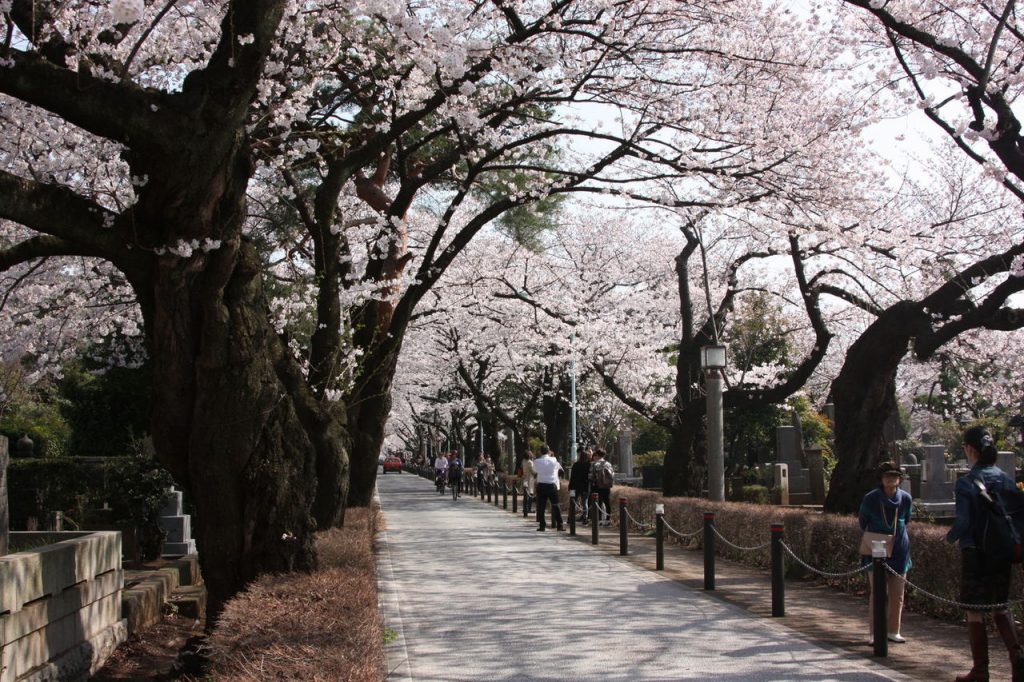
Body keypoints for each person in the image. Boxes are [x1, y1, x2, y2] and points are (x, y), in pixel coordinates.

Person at [947, 426, 1024, 682]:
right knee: (1000, 607)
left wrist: (949, 538)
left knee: (975, 610)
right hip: (1002, 551)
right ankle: (1017, 659)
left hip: (975, 552)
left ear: (970, 449)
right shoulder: (1005, 478)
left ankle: (980, 670)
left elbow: (963, 522)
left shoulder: (966, 483)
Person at [858, 460, 912, 645]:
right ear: (880, 479)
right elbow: (862, 521)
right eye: (887, 476)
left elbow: (908, 517)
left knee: (898, 594)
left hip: (900, 548)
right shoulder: (871, 498)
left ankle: (893, 630)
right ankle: (874, 632)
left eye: (895, 476)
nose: (891, 479)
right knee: (878, 592)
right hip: (877, 547)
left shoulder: (905, 498)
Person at [533, 445, 564, 531]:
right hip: (551, 484)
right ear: (548, 451)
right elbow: (560, 470)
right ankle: (560, 525)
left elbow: (535, 471)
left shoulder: (536, 461)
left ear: (540, 451)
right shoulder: (554, 460)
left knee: (541, 506)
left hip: (541, 484)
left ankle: (542, 525)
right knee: (555, 505)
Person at [590, 448, 615, 526]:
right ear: (604, 455)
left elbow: (591, 476)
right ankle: (608, 520)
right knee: (607, 502)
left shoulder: (594, 464)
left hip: (597, 486)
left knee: (598, 502)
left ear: (597, 455)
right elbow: (612, 474)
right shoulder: (608, 464)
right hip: (607, 486)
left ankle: (599, 519)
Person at [569, 447, 592, 523]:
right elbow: (590, 477)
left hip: (575, 486)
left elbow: (572, 477)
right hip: (585, 486)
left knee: (573, 501)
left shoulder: (576, 465)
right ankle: (585, 518)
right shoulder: (589, 465)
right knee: (585, 502)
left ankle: (570, 517)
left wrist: (570, 486)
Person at [521, 450, 536, 516]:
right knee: (530, 494)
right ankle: (528, 509)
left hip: (525, 478)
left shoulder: (523, 461)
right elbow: (533, 471)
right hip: (530, 479)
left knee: (525, 495)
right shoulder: (530, 462)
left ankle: (525, 508)